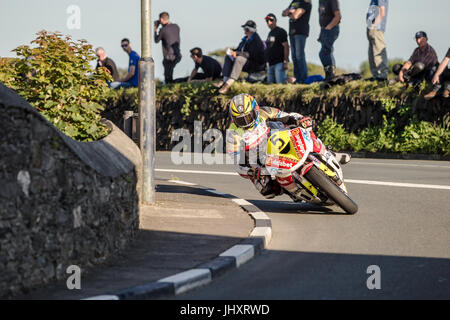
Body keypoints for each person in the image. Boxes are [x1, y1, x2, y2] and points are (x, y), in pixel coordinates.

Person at [226, 93, 351, 200]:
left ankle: (326, 152)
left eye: (248, 116)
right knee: (267, 191)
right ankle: (291, 191)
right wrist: (250, 171)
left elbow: (287, 115)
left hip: (282, 139)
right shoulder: (232, 134)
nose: (246, 122)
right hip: (262, 159)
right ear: (233, 119)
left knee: (305, 127)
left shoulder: (265, 112)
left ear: (256, 109)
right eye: (240, 120)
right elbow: (237, 163)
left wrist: (300, 119)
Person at [215, 20, 266, 94]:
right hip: (246, 61)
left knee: (239, 59)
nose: (244, 31)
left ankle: (229, 83)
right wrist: (232, 52)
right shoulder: (245, 39)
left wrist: (237, 53)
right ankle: (224, 80)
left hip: (255, 64)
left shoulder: (256, 40)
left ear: (250, 30)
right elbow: (239, 49)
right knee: (228, 57)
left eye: (246, 29)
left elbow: (250, 54)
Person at [282, 0, 312, 84]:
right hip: (292, 32)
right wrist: (290, 12)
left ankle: (303, 79)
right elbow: (283, 13)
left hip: (300, 32)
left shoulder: (306, 2)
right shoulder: (294, 1)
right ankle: (297, 79)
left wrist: (291, 12)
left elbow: (295, 16)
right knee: (294, 56)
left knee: (299, 55)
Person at [154, 12, 181, 84]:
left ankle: (173, 86)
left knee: (168, 78)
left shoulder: (163, 30)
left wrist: (155, 28)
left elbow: (156, 40)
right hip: (177, 54)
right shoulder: (176, 26)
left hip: (169, 57)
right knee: (169, 73)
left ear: (161, 19)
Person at [318, 0, 341, 80]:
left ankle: (331, 75)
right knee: (324, 52)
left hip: (331, 28)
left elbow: (338, 16)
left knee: (325, 51)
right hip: (324, 29)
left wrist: (328, 28)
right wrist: (322, 31)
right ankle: (329, 75)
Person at [366, 0, 389, 81]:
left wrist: (374, 25)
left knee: (378, 50)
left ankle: (382, 75)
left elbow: (382, 12)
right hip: (372, 27)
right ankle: (376, 75)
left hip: (377, 28)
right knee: (372, 51)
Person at [264, 13, 290, 84]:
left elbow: (286, 46)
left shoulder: (280, 31)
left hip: (279, 63)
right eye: (267, 21)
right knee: (270, 86)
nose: (269, 22)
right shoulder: (270, 33)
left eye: (271, 20)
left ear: (275, 21)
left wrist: (285, 61)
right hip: (271, 64)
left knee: (280, 84)